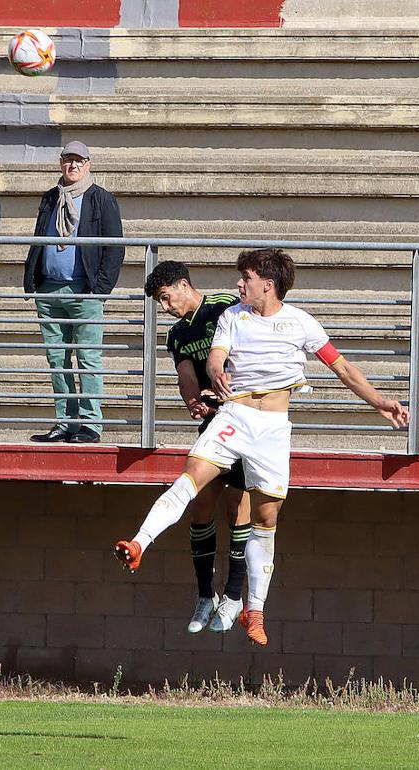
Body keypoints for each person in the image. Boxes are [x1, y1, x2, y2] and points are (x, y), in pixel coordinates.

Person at [115, 249, 409, 646]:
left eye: (246, 278)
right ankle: (139, 542)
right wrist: (216, 374)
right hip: (234, 417)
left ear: (267, 285)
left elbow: (342, 368)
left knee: (265, 519)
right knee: (191, 477)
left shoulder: (301, 323)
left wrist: (380, 402)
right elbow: (216, 357)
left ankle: (254, 610)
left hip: (272, 429)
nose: (239, 284)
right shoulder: (232, 317)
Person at [143, 261, 252, 634]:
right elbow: (187, 376)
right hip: (214, 421)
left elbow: (249, 352)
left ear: (184, 285)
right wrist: (195, 402)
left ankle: (233, 597)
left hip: (246, 418)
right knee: (201, 504)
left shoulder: (225, 306)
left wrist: (228, 387)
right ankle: (205, 595)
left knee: (239, 506)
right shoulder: (177, 335)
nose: (164, 306)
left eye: (165, 297)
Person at [23, 141, 124, 444]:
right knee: (57, 360)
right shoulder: (50, 198)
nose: (73, 166)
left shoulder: (100, 199)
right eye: (68, 160)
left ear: (89, 164)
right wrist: (35, 282)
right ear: (60, 163)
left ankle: (90, 424)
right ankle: (64, 423)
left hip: (84, 291)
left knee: (88, 358)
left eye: (79, 161)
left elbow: (114, 247)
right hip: (50, 290)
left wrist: (99, 290)